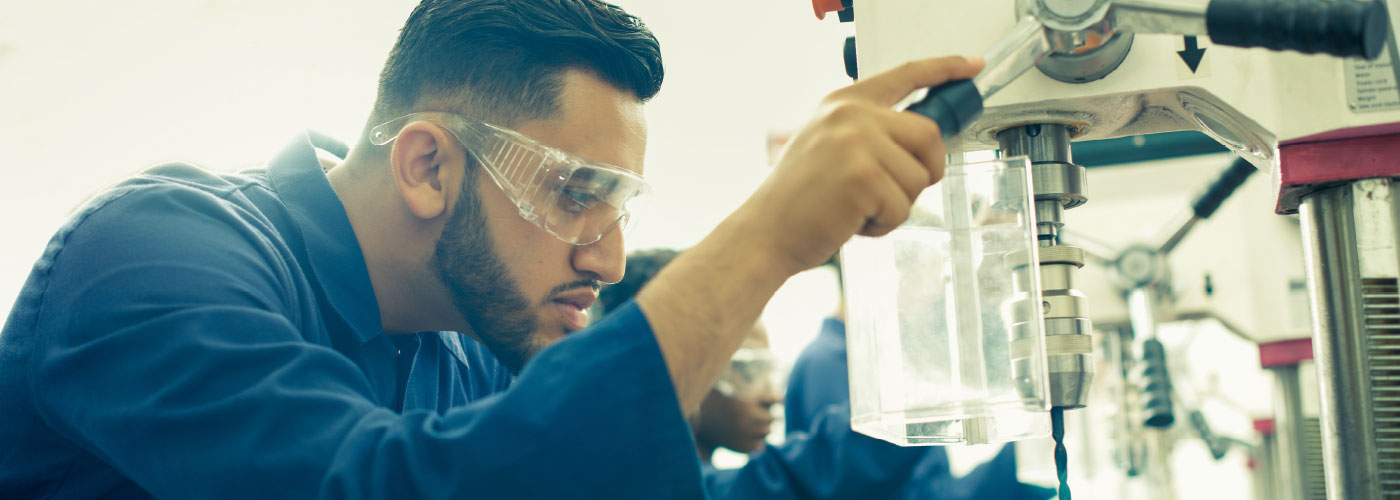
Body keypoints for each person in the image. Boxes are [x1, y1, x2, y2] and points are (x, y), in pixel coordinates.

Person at [0, 0, 983, 498]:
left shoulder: (459, 344)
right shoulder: (149, 262)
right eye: (577, 194)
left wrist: (913, 424)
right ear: (427, 164)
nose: (605, 259)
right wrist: (767, 234)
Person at [786, 257, 1056, 500]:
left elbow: (930, 488)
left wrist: (1027, 466)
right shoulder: (827, 363)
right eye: (927, 284)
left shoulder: (876, 363)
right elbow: (859, 481)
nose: (935, 299)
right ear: (886, 277)